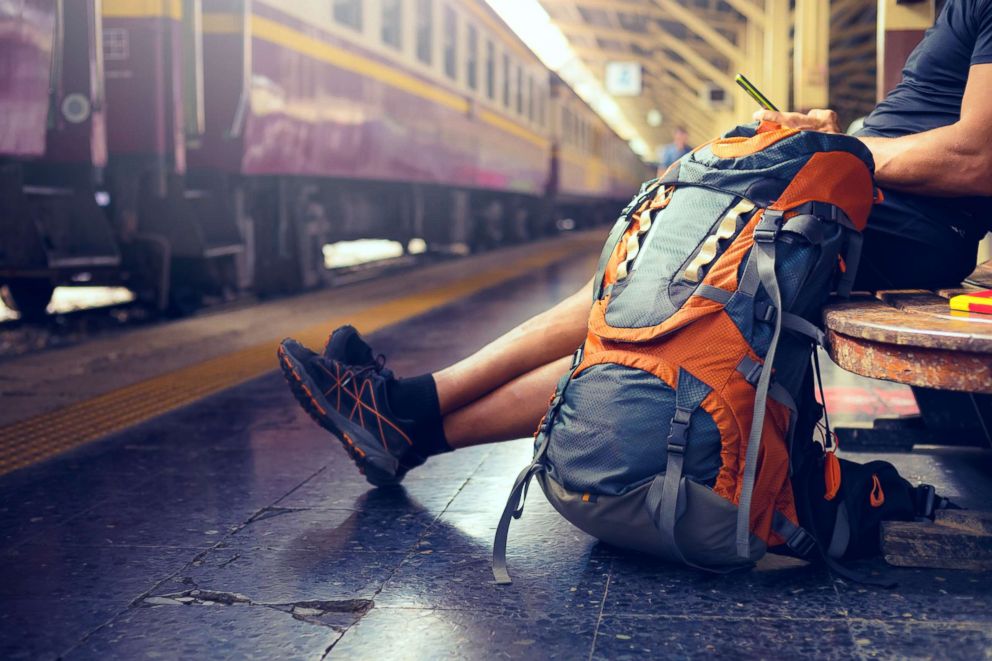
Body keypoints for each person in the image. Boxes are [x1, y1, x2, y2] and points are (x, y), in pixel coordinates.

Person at [279, 0, 992, 485]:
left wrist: (839, 152)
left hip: (894, 220)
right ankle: (409, 415)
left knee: (657, 304)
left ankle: (409, 413)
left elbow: (977, 158)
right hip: (856, 201)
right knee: (644, 282)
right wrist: (830, 142)